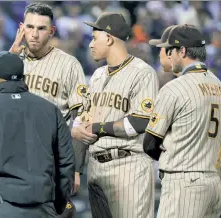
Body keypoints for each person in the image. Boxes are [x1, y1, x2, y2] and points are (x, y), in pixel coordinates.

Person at [0, 4, 88, 208]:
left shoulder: (69, 65)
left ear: (52, 31)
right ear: (21, 29)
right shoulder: (9, 60)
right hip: (8, 159)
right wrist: (9, 53)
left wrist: (75, 168)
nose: (34, 34)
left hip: (50, 159)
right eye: (30, 27)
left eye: (41, 28)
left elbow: (80, 119)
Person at [0, 51, 75, 218]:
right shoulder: (50, 110)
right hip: (43, 208)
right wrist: (58, 205)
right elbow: (66, 163)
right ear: (23, 78)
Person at [72, 12, 159, 218]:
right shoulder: (97, 75)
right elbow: (83, 121)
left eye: (95, 38)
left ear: (109, 38)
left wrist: (96, 128)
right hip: (95, 167)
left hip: (128, 166)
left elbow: (140, 122)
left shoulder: (142, 73)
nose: (91, 44)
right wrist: (77, 168)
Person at [144, 24, 221, 218]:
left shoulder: (174, 88)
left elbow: (149, 144)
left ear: (182, 50)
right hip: (213, 181)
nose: (168, 55)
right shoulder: (218, 85)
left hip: (185, 182)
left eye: (170, 50)